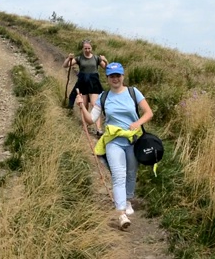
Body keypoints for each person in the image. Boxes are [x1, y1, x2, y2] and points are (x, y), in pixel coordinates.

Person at [75, 62, 153, 230]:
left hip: (133, 140)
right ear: (108, 78)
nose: (115, 79)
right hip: (113, 142)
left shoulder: (133, 92)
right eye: (112, 76)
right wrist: (82, 106)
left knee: (131, 172)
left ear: (123, 76)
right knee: (118, 175)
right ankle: (121, 214)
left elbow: (149, 112)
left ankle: (127, 199)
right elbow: (90, 120)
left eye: (118, 75)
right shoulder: (103, 97)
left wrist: (137, 123)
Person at [63, 39, 107, 134]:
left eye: (89, 48)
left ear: (91, 48)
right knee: (84, 105)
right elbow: (65, 65)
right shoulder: (79, 58)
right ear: (83, 49)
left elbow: (107, 68)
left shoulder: (96, 58)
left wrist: (105, 60)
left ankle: (99, 129)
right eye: (85, 48)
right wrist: (68, 58)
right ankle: (85, 125)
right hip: (83, 82)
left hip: (94, 83)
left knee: (96, 105)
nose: (87, 50)